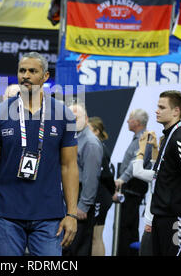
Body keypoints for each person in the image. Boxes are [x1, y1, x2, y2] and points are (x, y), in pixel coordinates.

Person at [0, 52, 79, 256]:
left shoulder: (63, 115)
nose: (26, 75)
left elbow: (69, 166)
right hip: (6, 214)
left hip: (49, 216)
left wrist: (72, 214)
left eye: (33, 71)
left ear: (45, 76)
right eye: (22, 70)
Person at [150, 90, 181, 256]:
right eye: (158, 106)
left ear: (176, 111)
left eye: (162, 107)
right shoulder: (168, 137)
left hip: (177, 218)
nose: (157, 110)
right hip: (161, 216)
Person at [63, 103, 103, 256]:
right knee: (68, 246)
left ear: (86, 119)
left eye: (76, 118)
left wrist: (83, 205)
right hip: (71, 196)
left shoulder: (90, 142)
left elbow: (91, 177)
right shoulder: (73, 138)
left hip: (80, 200)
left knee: (76, 247)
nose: (72, 121)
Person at [114, 109, 150, 256]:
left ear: (137, 122)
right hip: (130, 187)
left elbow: (136, 161)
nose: (128, 121)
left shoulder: (144, 139)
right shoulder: (138, 138)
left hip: (133, 188)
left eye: (130, 119)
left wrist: (122, 179)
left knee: (126, 226)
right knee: (128, 226)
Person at [88, 116, 115, 256]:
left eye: (89, 129)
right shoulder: (93, 146)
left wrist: (113, 192)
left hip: (101, 196)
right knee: (90, 236)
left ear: (97, 131)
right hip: (96, 195)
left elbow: (107, 175)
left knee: (96, 237)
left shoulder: (98, 147)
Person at [131, 130, 159, 256]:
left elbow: (137, 171)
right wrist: (155, 146)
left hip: (152, 228)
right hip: (156, 227)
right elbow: (155, 165)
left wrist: (141, 148)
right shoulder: (161, 172)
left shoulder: (162, 175)